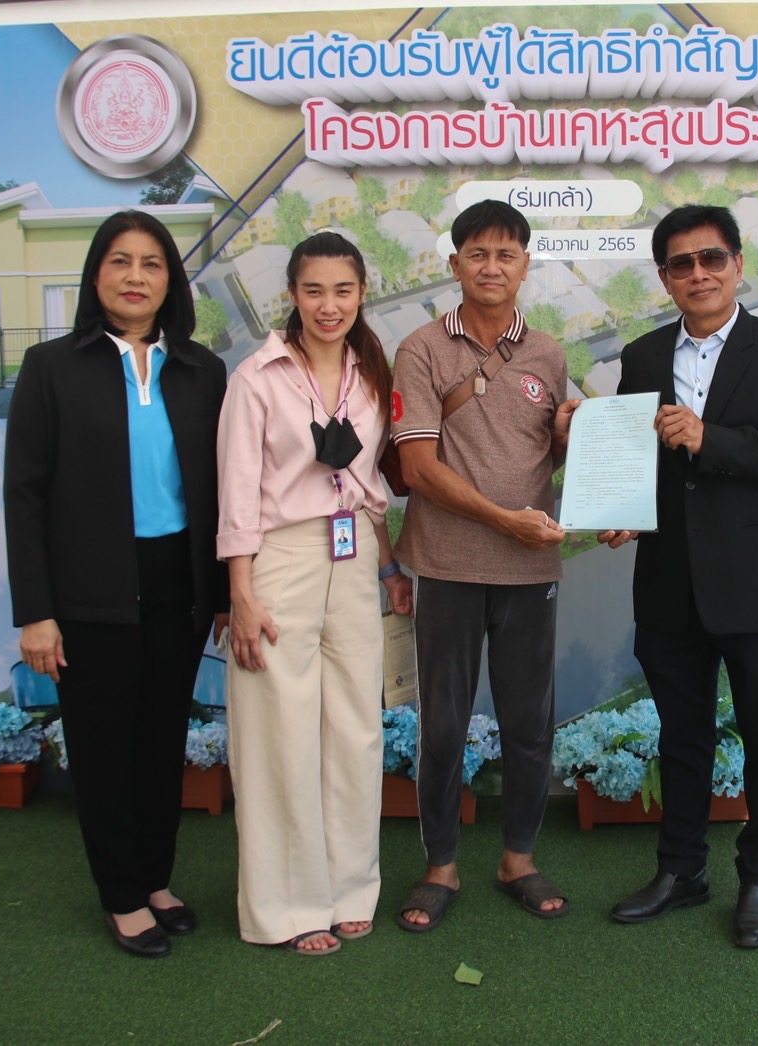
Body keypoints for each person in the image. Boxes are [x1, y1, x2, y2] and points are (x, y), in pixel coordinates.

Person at [598, 205, 758, 949]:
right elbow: (637, 456)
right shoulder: (641, 355)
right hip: (668, 581)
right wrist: (622, 507)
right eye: (681, 264)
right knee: (682, 736)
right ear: (664, 277)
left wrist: (712, 439)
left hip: (756, 582)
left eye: (711, 259)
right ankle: (681, 870)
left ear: (737, 264)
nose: (698, 274)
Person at [4, 210, 228, 959]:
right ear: (96, 274)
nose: (136, 277)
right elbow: (24, 495)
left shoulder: (202, 370)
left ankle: (156, 880)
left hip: (178, 585)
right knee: (104, 750)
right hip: (89, 589)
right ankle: (122, 896)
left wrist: (221, 594)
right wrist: (36, 612)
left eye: (152, 263)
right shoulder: (51, 367)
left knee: (161, 744)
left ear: (171, 281)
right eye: (120, 261)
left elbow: (222, 489)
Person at [217, 232, 414, 956]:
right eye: (313, 291)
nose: (329, 306)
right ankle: (289, 906)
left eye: (343, 290)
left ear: (361, 293)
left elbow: (369, 485)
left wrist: (389, 568)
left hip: (354, 554)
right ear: (292, 295)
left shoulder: (372, 374)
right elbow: (236, 493)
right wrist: (240, 592)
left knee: (356, 728)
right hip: (279, 558)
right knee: (280, 731)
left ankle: (351, 889)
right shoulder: (257, 378)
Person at [388, 199, 579, 932]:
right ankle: (440, 866)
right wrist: (504, 521)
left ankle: (517, 860)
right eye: (477, 253)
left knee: (530, 723)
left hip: (530, 572)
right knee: (443, 724)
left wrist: (567, 439)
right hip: (447, 564)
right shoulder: (422, 348)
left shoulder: (549, 353)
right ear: (455, 264)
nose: (491, 267)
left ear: (526, 265)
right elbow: (416, 468)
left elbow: (543, 455)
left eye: (506, 254)